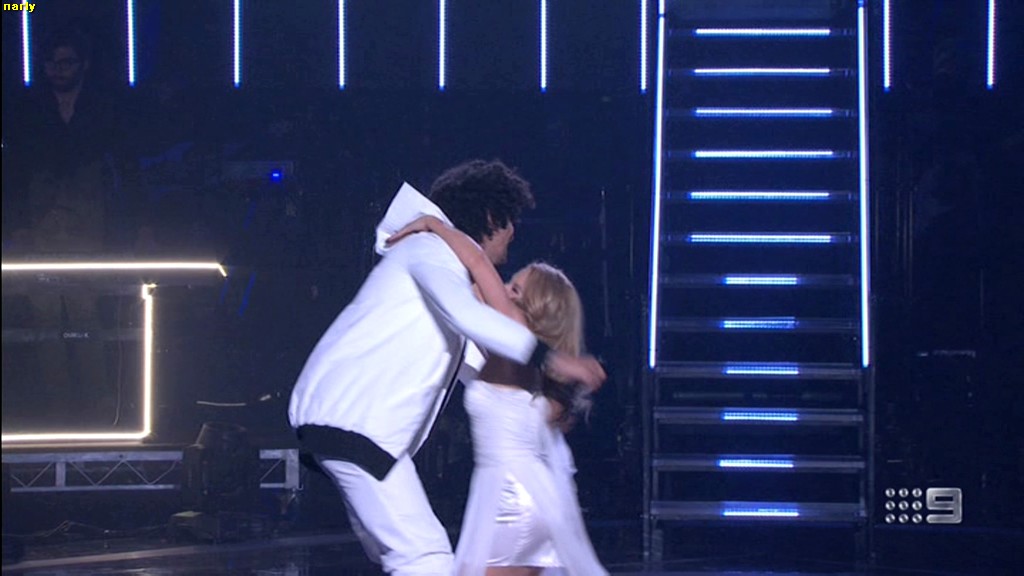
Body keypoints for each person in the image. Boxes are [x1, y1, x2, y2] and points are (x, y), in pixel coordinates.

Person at [287, 159, 606, 575]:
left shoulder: (440, 261)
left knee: (405, 556)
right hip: (358, 428)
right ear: (491, 218)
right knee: (424, 558)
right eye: (510, 223)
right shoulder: (429, 251)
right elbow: (470, 314)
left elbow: (481, 348)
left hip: (357, 432)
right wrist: (554, 360)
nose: (513, 236)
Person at [388, 215, 607, 576]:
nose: (502, 289)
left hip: (512, 498)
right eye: (508, 282)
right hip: (515, 494)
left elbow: (476, 264)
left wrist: (434, 225)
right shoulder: (511, 348)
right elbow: (469, 286)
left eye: (515, 289)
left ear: (534, 309)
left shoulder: (510, 328)